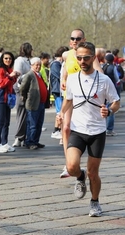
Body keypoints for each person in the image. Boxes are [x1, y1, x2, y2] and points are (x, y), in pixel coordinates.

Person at [57, 41, 120, 217]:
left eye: (86, 58)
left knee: (94, 173)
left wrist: (109, 110)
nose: (82, 61)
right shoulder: (72, 78)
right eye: (79, 58)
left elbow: (116, 102)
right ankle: (79, 176)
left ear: (93, 57)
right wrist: (61, 113)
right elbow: (68, 100)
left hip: (97, 132)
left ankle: (95, 202)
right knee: (71, 167)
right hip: (78, 130)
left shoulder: (104, 80)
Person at [60, 29, 104, 178]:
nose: (74, 40)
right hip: (70, 95)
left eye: (78, 38)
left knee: (76, 127)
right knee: (65, 128)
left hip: (83, 96)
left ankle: (77, 159)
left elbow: (101, 75)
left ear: (83, 39)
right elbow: (65, 72)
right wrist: (64, 81)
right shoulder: (67, 55)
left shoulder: (90, 57)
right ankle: (68, 163)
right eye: (72, 38)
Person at [0, 52, 19, 153]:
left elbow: (11, 83)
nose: (8, 60)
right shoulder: (1, 70)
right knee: (0, 121)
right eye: (6, 58)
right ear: (2, 60)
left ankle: (4, 142)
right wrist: (10, 76)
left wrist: (14, 76)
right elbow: (1, 84)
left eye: (10, 59)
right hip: (0, 98)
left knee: (6, 122)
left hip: (8, 98)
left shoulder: (9, 70)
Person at [20, 57, 48, 150]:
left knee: (39, 124)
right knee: (32, 124)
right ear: (32, 65)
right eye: (36, 65)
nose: (38, 66)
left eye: (39, 65)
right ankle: (30, 142)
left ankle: (35, 141)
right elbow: (23, 88)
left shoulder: (39, 74)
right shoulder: (29, 75)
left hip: (41, 103)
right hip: (33, 103)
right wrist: (26, 97)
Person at [12, 42, 33, 147]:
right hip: (21, 88)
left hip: (29, 88)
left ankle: (25, 136)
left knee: (27, 114)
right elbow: (18, 75)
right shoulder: (20, 60)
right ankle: (18, 137)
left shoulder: (29, 60)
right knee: (21, 113)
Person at [50, 46, 69, 142]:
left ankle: (58, 130)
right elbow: (60, 77)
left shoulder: (58, 64)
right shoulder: (56, 64)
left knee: (62, 112)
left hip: (59, 91)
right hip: (58, 91)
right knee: (61, 112)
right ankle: (59, 132)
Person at [103, 53, 120, 136]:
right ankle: (109, 129)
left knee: (103, 107)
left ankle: (103, 127)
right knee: (111, 108)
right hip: (111, 89)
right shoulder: (113, 67)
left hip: (102, 89)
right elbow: (117, 78)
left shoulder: (102, 66)